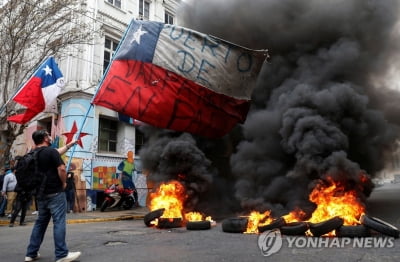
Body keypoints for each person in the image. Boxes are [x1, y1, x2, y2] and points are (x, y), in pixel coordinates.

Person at [25, 130, 81, 262]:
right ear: (45, 138)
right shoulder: (50, 151)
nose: (50, 137)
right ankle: (62, 254)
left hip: (40, 194)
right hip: (55, 192)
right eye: (48, 135)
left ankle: (31, 253)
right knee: (59, 222)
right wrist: (63, 183)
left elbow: (56, 152)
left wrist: (69, 145)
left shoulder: (33, 154)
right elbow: (61, 168)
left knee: (40, 223)